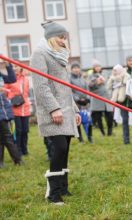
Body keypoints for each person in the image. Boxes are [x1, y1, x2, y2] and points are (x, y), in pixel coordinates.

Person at [30, 21, 81, 204]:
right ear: (51, 37)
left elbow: (65, 88)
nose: (63, 41)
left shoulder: (60, 56)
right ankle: (53, 194)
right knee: (59, 148)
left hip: (66, 111)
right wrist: (54, 109)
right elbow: (41, 86)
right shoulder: (39, 54)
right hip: (53, 112)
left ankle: (63, 188)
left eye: (65, 37)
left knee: (65, 149)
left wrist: (74, 110)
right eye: (61, 37)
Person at [4, 64, 31, 155]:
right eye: (13, 66)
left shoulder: (26, 79)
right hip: (15, 109)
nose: (15, 68)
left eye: (16, 66)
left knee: (25, 130)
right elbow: (5, 92)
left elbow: (27, 93)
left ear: (21, 68)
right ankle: (18, 151)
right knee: (18, 131)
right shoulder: (9, 79)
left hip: (25, 108)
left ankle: (25, 149)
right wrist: (11, 98)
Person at [0, 60, 22, 168]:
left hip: (3, 111)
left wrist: (8, 65)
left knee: (6, 137)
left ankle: (16, 160)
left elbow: (12, 79)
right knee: (6, 137)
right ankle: (17, 160)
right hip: (2, 111)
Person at [88, 60, 113, 136]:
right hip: (97, 99)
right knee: (98, 118)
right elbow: (89, 87)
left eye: (99, 66)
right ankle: (102, 132)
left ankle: (110, 132)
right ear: (93, 68)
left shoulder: (104, 74)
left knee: (109, 116)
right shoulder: (91, 76)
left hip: (106, 99)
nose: (98, 68)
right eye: (96, 66)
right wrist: (96, 82)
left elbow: (109, 84)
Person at [70, 62, 92, 143]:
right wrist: (78, 99)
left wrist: (87, 98)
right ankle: (80, 139)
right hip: (76, 103)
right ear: (71, 70)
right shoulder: (70, 79)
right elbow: (70, 91)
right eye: (74, 68)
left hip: (85, 103)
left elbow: (87, 90)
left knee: (88, 120)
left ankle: (90, 137)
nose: (76, 69)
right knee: (78, 121)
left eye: (77, 68)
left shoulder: (83, 79)